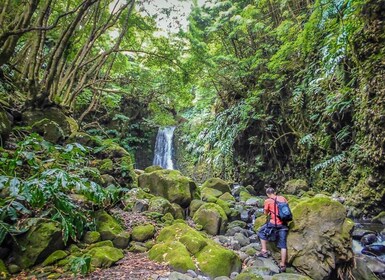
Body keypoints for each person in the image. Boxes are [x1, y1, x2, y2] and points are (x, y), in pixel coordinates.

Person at [256, 186, 289, 273]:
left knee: (261, 232)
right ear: (274, 192)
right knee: (283, 245)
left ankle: (264, 251)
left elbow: (265, 213)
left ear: (267, 194)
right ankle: (282, 264)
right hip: (284, 224)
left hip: (274, 224)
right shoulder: (282, 198)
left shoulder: (267, 201)